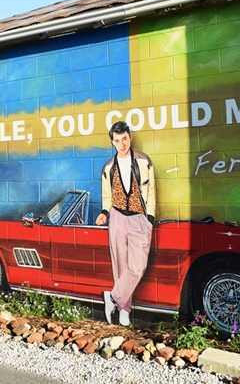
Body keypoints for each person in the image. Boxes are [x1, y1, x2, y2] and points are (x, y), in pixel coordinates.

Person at [95, 121, 156, 326]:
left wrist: (149, 219)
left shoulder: (144, 161)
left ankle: (112, 297)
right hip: (118, 217)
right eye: (117, 141)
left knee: (138, 266)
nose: (121, 144)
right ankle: (124, 311)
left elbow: (151, 192)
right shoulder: (108, 168)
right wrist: (105, 213)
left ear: (130, 137)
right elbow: (106, 196)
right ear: (113, 142)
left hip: (140, 218)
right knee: (120, 265)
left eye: (124, 139)